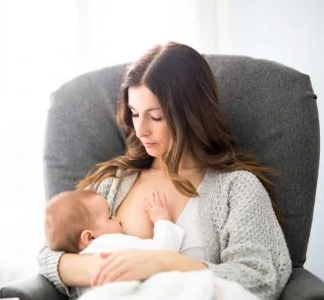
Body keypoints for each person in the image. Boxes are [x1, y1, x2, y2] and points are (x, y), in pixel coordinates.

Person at [38, 41, 292, 300]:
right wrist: (108, 268)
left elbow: (259, 278)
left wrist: (161, 263)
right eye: (135, 114)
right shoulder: (112, 186)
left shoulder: (238, 188)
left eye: (156, 117)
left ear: (192, 114)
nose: (140, 131)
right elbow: (50, 255)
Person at [45, 189, 187, 298]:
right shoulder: (108, 243)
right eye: (110, 217)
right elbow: (162, 254)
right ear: (89, 237)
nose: (118, 219)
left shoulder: (78, 277)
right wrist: (163, 220)